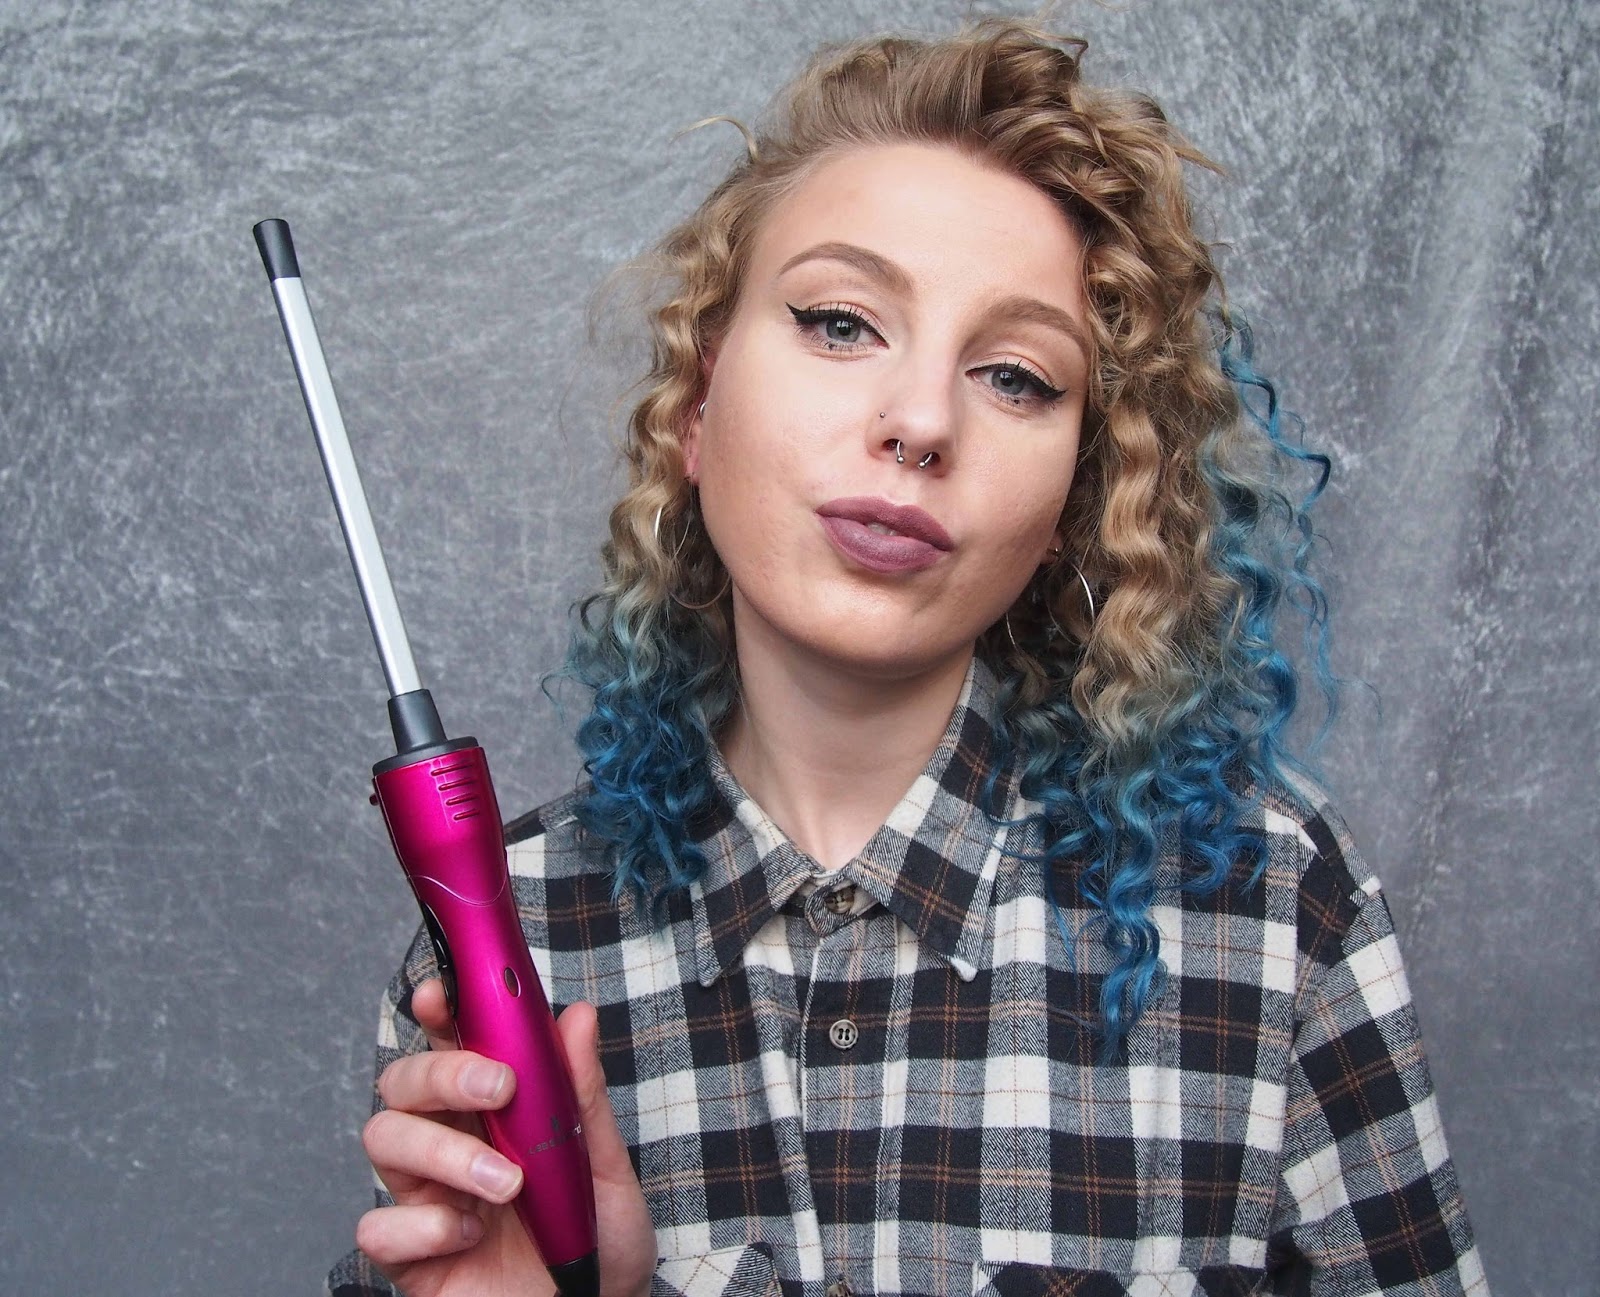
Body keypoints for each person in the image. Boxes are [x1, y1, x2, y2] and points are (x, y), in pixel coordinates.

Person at [328, 18, 1486, 1297]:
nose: (921, 421)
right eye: (839, 323)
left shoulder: (1272, 914)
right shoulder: (497, 951)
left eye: (1016, 377)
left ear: (1077, 499)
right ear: (697, 407)